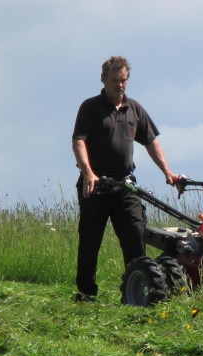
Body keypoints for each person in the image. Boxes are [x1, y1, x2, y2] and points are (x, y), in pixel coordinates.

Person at [71, 56, 178, 302]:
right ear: (103, 79)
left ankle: (138, 294)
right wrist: (88, 172)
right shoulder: (90, 107)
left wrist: (167, 172)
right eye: (116, 80)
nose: (121, 85)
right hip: (96, 185)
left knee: (135, 237)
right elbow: (79, 141)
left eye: (124, 80)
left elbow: (151, 141)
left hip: (125, 186)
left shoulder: (134, 109)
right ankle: (86, 294)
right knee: (90, 240)